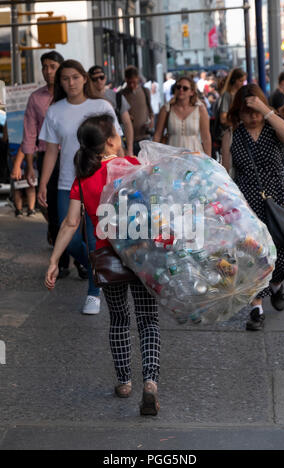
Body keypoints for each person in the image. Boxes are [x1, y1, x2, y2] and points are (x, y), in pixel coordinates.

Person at [45, 114, 161, 416]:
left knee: (120, 320)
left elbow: (71, 223)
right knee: (147, 320)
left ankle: (124, 382)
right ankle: (150, 382)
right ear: (111, 140)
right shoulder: (134, 168)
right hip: (141, 256)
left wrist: (54, 260)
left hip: (107, 261)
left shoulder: (84, 179)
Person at [38, 59, 123, 315]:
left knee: (96, 238)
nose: (70, 83)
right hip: (68, 182)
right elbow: (51, 151)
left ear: (84, 78)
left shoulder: (101, 106)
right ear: (59, 83)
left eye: (75, 77)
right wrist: (43, 183)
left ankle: (93, 293)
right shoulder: (55, 111)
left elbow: (116, 143)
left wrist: (124, 175)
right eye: (65, 79)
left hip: (101, 182)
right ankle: (95, 264)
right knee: (71, 238)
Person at [222, 84, 284, 331]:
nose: (251, 117)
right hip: (246, 203)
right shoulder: (234, 134)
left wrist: (265, 109)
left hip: (276, 200)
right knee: (253, 258)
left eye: (254, 111)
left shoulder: (273, 128)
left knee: (281, 260)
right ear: (238, 113)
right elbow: (227, 171)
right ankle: (256, 309)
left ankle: (277, 285)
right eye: (246, 112)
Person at [20, 50, 71, 278]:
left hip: (72, 157)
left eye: (52, 66)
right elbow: (29, 133)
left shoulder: (70, 95)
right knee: (51, 207)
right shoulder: (36, 98)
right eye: (44, 67)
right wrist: (29, 165)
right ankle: (61, 260)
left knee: (74, 205)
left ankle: (79, 256)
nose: (48, 71)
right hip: (46, 157)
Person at [153, 75, 212, 156]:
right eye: (178, 87)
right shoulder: (166, 109)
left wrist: (209, 161)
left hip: (195, 158)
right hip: (172, 158)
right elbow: (158, 134)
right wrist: (152, 156)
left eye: (185, 88)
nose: (181, 90)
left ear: (191, 92)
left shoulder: (200, 109)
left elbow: (206, 138)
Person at [88, 65, 134, 156]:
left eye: (101, 77)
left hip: (116, 146)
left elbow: (127, 123)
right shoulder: (86, 100)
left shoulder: (117, 97)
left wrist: (129, 150)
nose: (99, 81)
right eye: (95, 79)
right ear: (89, 81)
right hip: (94, 149)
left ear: (105, 78)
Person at [120, 65, 154, 155]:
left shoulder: (145, 91)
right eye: (129, 82)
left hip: (144, 137)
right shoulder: (121, 94)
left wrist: (151, 122)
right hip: (128, 140)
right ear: (126, 80)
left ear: (138, 79)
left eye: (134, 82)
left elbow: (150, 111)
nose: (131, 85)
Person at [10, 148, 36, 217]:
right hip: (17, 155)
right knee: (18, 185)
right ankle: (20, 209)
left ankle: (29, 209)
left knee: (29, 185)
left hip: (29, 154)